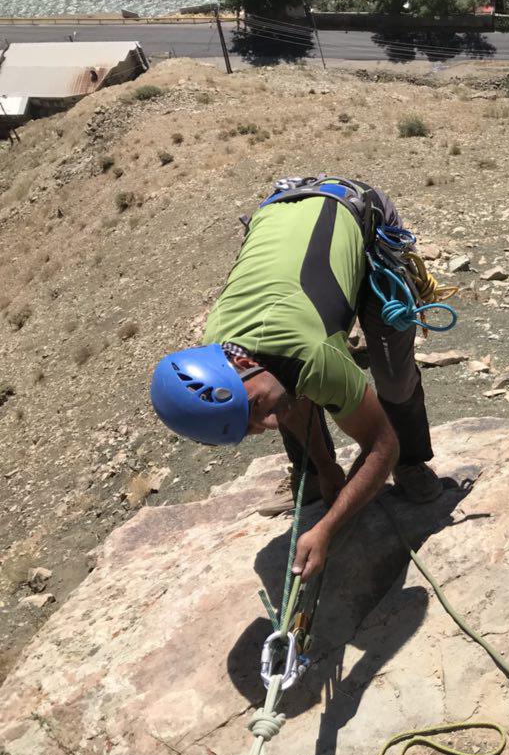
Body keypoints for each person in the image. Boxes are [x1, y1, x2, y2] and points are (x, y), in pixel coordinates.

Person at [150, 177, 444, 583]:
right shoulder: (217, 351)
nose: (269, 424)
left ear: (240, 366)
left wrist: (327, 528)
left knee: (393, 378)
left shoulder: (313, 353)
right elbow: (281, 388)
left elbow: (382, 444)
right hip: (291, 226)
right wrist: (326, 466)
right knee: (282, 393)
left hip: (359, 215)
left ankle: (412, 465)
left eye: (254, 408)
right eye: (251, 427)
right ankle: (314, 472)